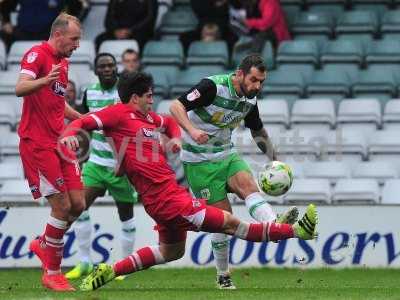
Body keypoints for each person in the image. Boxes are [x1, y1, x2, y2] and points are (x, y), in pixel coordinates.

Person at [60, 71, 318, 291]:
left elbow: (170, 122)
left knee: (172, 252)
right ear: (134, 97)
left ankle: (110, 270)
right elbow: (82, 122)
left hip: (164, 197)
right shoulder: (116, 114)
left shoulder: (148, 119)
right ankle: (294, 231)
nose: (152, 100)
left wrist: (174, 138)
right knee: (231, 224)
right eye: (148, 96)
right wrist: (70, 136)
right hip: (170, 200)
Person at [169, 54, 297, 289]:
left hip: (226, 155)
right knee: (223, 220)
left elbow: (258, 131)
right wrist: (191, 129)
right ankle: (223, 274)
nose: (257, 86)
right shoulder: (212, 87)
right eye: (254, 80)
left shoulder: (250, 100)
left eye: (261, 82)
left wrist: (277, 161)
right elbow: (175, 106)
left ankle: (274, 225)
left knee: (249, 187)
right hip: (198, 163)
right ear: (239, 74)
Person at [15, 13, 85, 292]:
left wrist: (81, 119)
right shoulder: (37, 54)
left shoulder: (63, 62)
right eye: (74, 39)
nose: (77, 44)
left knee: (78, 204)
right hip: (37, 144)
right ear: (58, 35)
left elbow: (57, 104)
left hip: (60, 143)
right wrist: (43, 80)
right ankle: (52, 272)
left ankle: (44, 243)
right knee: (62, 206)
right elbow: (20, 87)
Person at [65, 53, 138, 281]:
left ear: (116, 69)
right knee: (78, 207)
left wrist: (125, 160)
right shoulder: (90, 91)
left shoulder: (125, 93)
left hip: (120, 165)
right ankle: (85, 262)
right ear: (96, 70)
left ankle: (125, 266)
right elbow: (86, 124)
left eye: (110, 65)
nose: (107, 69)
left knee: (125, 215)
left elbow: (133, 126)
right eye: (102, 66)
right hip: (96, 163)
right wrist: (81, 155)